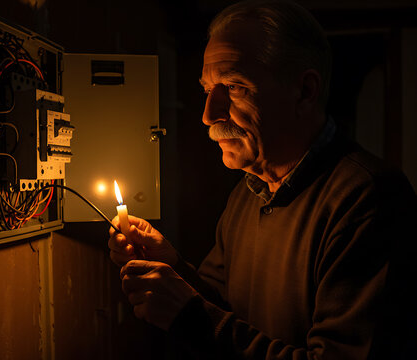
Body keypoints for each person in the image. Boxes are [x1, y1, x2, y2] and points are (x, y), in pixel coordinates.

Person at [108, 0, 417, 358]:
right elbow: (224, 309)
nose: (209, 115)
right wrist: (172, 268)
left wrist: (190, 316)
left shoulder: (367, 199)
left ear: (305, 91)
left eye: (235, 87)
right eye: (208, 90)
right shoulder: (249, 191)